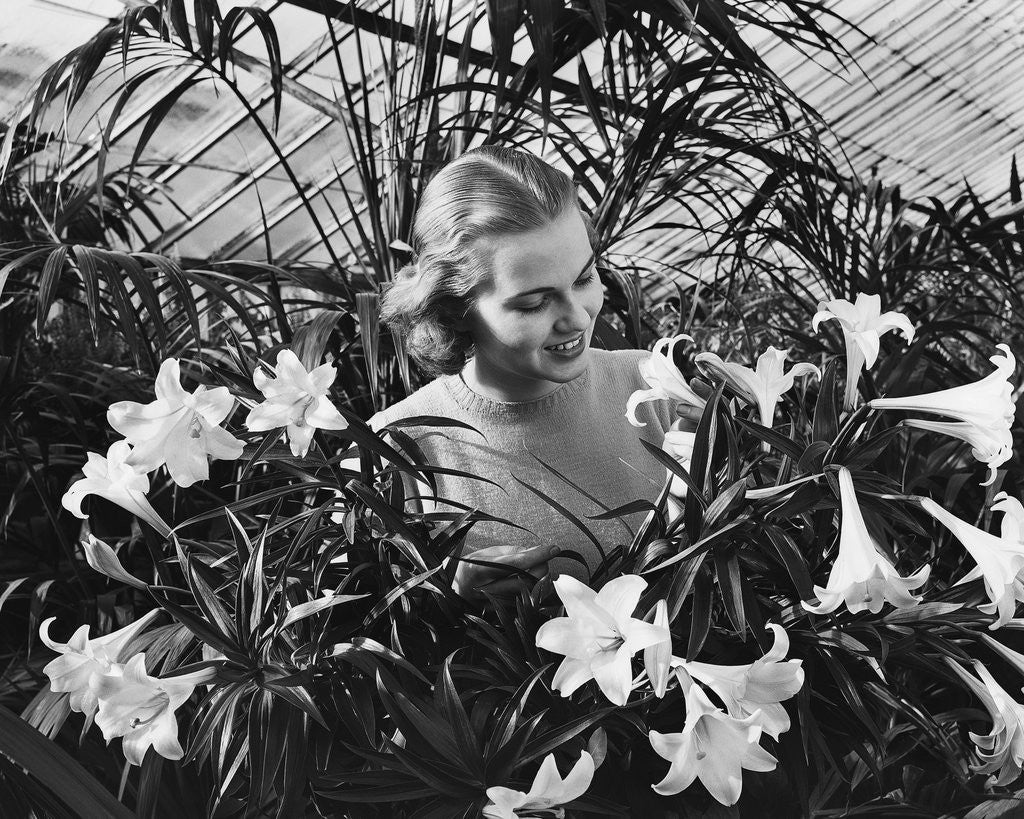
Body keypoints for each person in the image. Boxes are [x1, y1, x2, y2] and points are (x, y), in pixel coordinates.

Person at [368, 146, 700, 602]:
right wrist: (448, 600)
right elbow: (357, 625)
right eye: (533, 303)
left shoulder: (653, 382)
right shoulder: (395, 447)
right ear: (453, 310)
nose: (578, 318)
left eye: (584, 278)